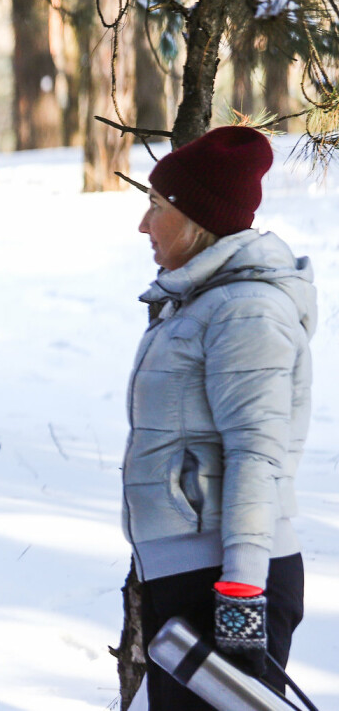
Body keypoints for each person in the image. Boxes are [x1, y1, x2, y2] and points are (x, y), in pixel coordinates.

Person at [126, 126, 315, 706]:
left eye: (156, 206)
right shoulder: (204, 302)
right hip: (191, 580)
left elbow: (257, 455)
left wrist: (239, 594)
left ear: (194, 217)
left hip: (229, 585)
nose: (142, 224)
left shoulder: (245, 310)